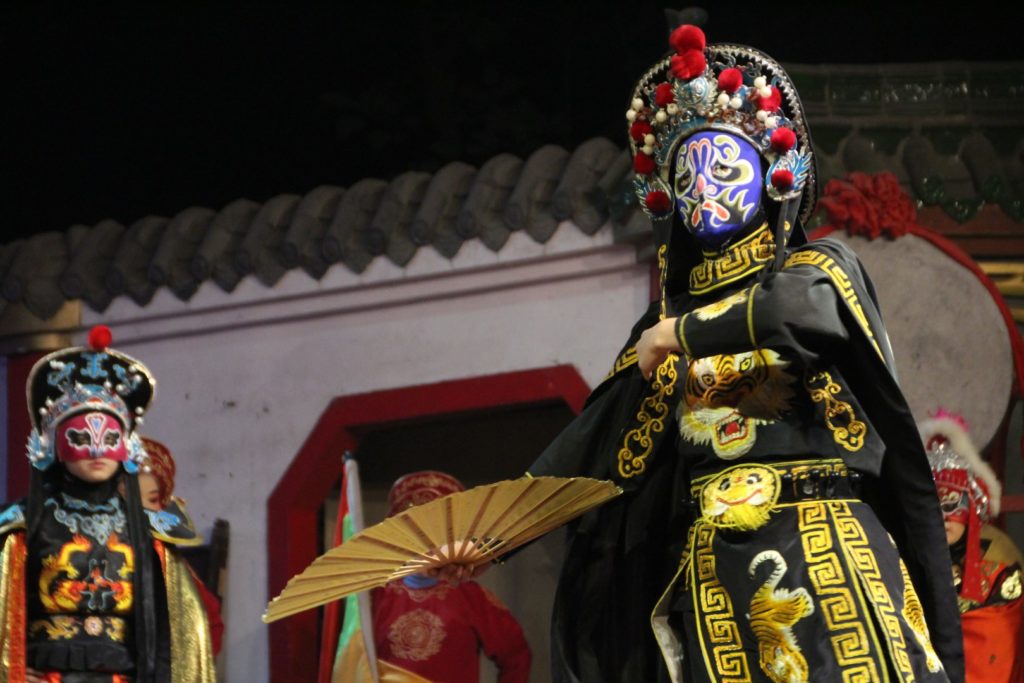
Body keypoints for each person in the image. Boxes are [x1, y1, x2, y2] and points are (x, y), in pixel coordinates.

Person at [517, 23, 963, 682]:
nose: (706, 188)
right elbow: (595, 445)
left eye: (724, 166)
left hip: (829, 542)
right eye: (688, 175)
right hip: (711, 571)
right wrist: (489, 535)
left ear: (772, 173)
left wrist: (682, 335)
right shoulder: (663, 316)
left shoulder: (821, 269)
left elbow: (797, 313)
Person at [0, 325, 216, 682]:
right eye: (81, 437)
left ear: (128, 447)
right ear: (52, 446)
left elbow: (180, 631)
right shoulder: (21, 525)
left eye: (110, 437)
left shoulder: (152, 530)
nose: (98, 449)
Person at [371, 471, 531, 683]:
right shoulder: (375, 597)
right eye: (415, 532)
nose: (426, 544)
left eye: (435, 533)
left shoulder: (472, 597)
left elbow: (516, 655)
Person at [921, 411, 1023, 682]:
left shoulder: (999, 556)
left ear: (972, 508)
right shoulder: (906, 556)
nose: (943, 516)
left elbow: (1001, 639)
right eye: (934, 506)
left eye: (952, 504)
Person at [135, 436, 226, 658]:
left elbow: (208, 623)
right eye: (129, 500)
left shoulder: (166, 560)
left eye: (153, 500)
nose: (144, 510)